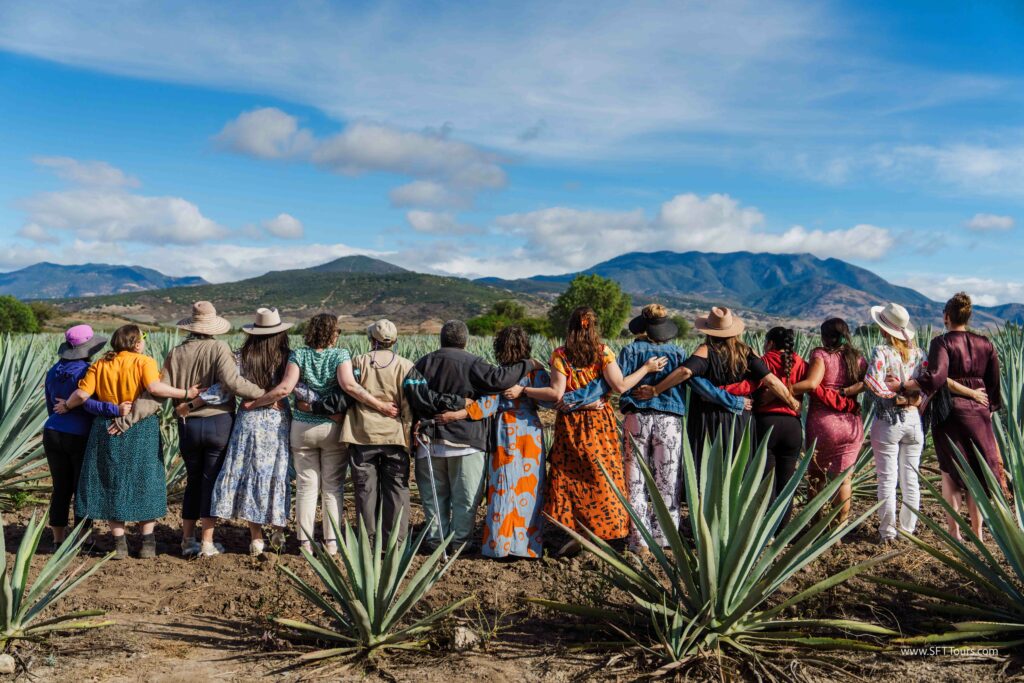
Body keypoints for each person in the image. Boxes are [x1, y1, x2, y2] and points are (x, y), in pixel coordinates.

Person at [302, 319, 465, 547]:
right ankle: (396, 543)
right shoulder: (406, 365)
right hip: (395, 437)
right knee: (397, 489)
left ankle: (368, 544)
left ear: (371, 339)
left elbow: (344, 396)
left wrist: (314, 407)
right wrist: (458, 402)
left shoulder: (358, 362)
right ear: (395, 341)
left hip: (362, 436)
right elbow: (422, 400)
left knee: (365, 491)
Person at [535, 307, 667, 553]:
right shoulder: (603, 352)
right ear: (594, 328)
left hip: (570, 424)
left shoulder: (560, 355)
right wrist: (647, 369)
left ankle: (576, 531)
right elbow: (620, 386)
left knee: (570, 476)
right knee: (603, 475)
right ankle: (604, 531)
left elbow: (558, 394)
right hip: (599, 423)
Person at [240, 312, 375, 554]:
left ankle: (305, 543)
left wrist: (256, 402)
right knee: (333, 487)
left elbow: (285, 389)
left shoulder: (298, 355)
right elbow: (350, 386)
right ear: (333, 334)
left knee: (305, 486)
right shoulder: (340, 354)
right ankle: (332, 543)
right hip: (332, 427)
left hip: (302, 427)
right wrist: (379, 405)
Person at [617, 304, 749, 551]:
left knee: (634, 481)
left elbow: (618, 384)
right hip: (669, 421)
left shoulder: (629, 351)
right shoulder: (678, 353)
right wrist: (734, 401)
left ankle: (639, 540)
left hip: (637, 419)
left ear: (644, 327)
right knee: (667, 481)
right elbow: (699, 385)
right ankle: (664, 537)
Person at [62, 325, 200, 560]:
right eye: (143, 338)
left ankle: (119, 545)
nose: (144, 342)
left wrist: (65, 406)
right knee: (145, 478)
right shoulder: (143, 361)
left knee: (111, 481)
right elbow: (155, 388)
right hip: (141, 426)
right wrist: (187, 393)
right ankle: (148, 544)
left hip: (107, 426)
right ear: (136, 343)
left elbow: (83, 395)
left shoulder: (100, 364)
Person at [413, 320, 536, 552]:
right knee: (466, 499)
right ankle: (459, 544)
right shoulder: (473, 363)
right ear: (465, 340)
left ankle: (435, 542)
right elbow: (499, 380)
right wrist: (527, 364)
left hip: (428, 440)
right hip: (466, 443)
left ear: (441, 338)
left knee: (433, 498)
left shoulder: (423, 362)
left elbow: (412, 395)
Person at [433, 325, 555, 559]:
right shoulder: (536, 374)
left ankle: (500, 544)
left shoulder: (498, 374)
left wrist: (458, 414)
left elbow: (486, 406)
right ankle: (527, 546)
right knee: (530, 489)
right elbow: (551, 401)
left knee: (502, 487)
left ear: (500, 347)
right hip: (530, 434)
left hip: (504, 433)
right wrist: (528, 391)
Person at [163, 301, 268, 557]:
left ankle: (187, 540)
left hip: (187, 424)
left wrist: (184, 402)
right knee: (211, 481)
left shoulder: (176, 352)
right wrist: (265, 394)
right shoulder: (219, 348)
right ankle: (208, 543)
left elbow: (162, 386)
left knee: (193, 481)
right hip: (218, 423)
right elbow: (232, 382)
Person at [898, 292, 1004, 541]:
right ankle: (977, 533)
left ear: (946, 316)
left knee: (950, 472)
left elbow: (936, 377)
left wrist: (905, 386)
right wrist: (986, 404)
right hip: (980, 411)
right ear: (968, 316)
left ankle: (955, 533)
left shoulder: (942, 343)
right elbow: (994, 383)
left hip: (950, 412)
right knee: (977, 472)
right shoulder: (986, 344)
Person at [639, 307, 797, 462]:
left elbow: (685, 372)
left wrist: (655, 390)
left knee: (706, 467)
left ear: (709, 331)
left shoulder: (705, 350)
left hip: (708, 418)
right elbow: (771, 381)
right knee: (737, 467)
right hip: (740, 418)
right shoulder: (747, 352)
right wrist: (792, 402)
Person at [206, 308, 294, 555]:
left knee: (250, 473)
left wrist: (193, 400)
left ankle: (256, 537)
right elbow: (294, 389)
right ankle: (278, 531)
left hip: (248, 419)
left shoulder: (240, 356)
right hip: (277, 419)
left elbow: (224, 387)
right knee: (276, 472)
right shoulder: (289, 357)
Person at [43, 325, 129, 546]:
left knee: (61, 487)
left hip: (52, 432)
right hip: (79, 435)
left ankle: (58, 540)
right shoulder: (87, 371)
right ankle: (83, 541)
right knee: (83, 487)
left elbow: (50, 405)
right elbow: (88, 402)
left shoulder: (53, 370)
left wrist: (63, 411)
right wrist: (116, 410)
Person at [790, 318, 866, 525]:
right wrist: (847, 391)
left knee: (816, 475)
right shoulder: (857, 358)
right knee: (843, 479)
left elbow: (812, 384)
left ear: (824, 336)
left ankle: (815, 525)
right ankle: (837, 529)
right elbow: (869, 382)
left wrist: (786, 389)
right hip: (851, 424)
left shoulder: (820, 355)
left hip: (823, 422)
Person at [863, 303, 925, 544]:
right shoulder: (920, 354)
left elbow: (871, 382)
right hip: (913, 419)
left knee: (887, 479)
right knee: (911, 479)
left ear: (885, 329)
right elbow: (925, 386)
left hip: (888, 420)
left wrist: (890, 394)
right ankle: (908, 532)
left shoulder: (882, 351)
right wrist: (910, 396)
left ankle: (887, 533)